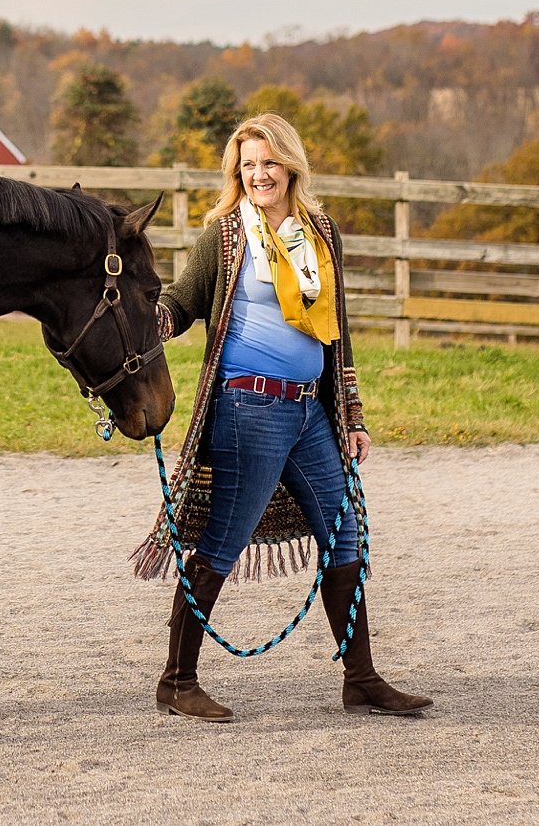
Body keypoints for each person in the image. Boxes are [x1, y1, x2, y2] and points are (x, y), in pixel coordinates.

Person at [134, 112, 431, 721]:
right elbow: (183, 301)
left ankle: (361, 679)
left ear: (290, 165)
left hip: (309, 412)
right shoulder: (224, 235)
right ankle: (177, 680)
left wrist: (352, 414)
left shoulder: (320, 233)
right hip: (248, 406)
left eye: (268, 162)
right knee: (222, 541)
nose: (258, 175)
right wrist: (151, 324)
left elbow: (337, 332)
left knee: (343, 535)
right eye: (247, 165)